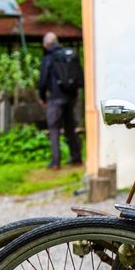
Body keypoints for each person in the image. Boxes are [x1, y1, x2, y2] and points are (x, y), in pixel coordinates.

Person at [37, 32, 83, 169]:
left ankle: (55, 162)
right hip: (71, 97)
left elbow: (43, 80)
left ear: (45, 45)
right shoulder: (68, 55)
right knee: (70, 128)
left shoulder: (48, 58)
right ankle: (76, 158)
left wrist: (42, 97)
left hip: (55, 99)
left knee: (54, 128)